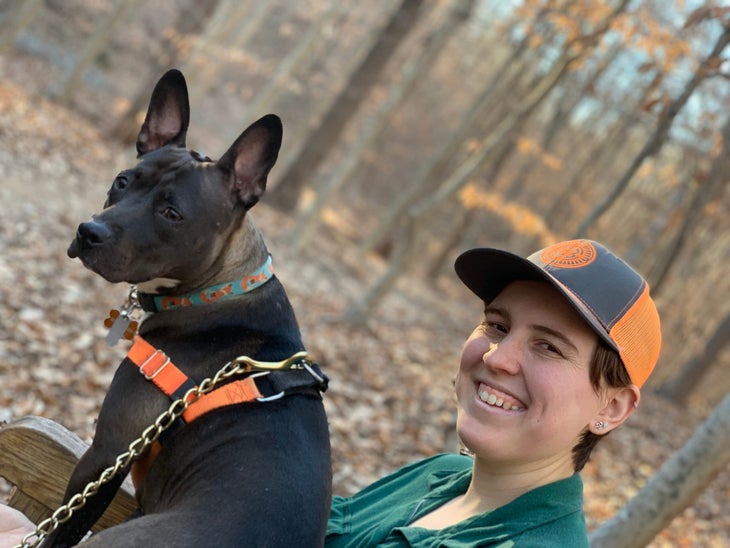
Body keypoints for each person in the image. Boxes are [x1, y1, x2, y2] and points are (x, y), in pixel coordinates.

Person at [0, 239, 661, 547]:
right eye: (496, 325)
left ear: (613, 406)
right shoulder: (442, 478)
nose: (499, 357)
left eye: (549, 347)